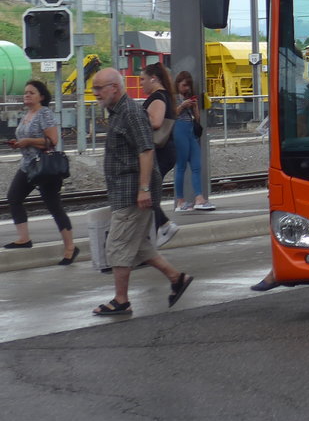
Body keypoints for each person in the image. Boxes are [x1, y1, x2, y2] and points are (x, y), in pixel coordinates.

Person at [90, 67, 193, 316]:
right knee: (136, 246)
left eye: (99, 88)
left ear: (114, 87)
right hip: (124, 190)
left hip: (132, 190)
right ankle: (176, 278)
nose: (95, 94)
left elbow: (146, 150)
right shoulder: (117, 111)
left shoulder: (130, 112)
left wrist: (144, 189)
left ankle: (121, 300)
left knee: (117, 245)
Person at [5, 79, 78, 264]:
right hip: (28, 165)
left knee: (54, 206)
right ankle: (24, 239)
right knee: (14, 197)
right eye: (25, 92)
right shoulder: (27, 114)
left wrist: (28, 141)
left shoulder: (44, 113)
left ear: (41, 97)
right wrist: (19, 144)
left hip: (44, 166)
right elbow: (26, 139)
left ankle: (70, 247)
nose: (26, 95)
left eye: (31, 92)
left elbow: (52, 140)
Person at [141, 62, 179, 245]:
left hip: (160, 151)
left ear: (153, 78)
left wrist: (138, 116)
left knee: (146, 192)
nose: (140, 83)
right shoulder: (165, 96)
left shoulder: (158, 97)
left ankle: (163, 225)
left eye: (143, 79)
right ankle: (158, 228)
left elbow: (156, 122)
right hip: (166, 150)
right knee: (148, 192)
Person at [173, 70, 214, 211]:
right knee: (181, 166)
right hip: (179, 131)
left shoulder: (188, 98)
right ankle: (180, 201)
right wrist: (182, 105)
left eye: (188, 86)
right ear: (178, 84)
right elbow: (172, 115)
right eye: (184, 85)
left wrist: (195, 107)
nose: (187, 89)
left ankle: (199, 198)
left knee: (197, 166)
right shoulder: (173, 98)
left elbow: (197, 119)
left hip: (190, 132)